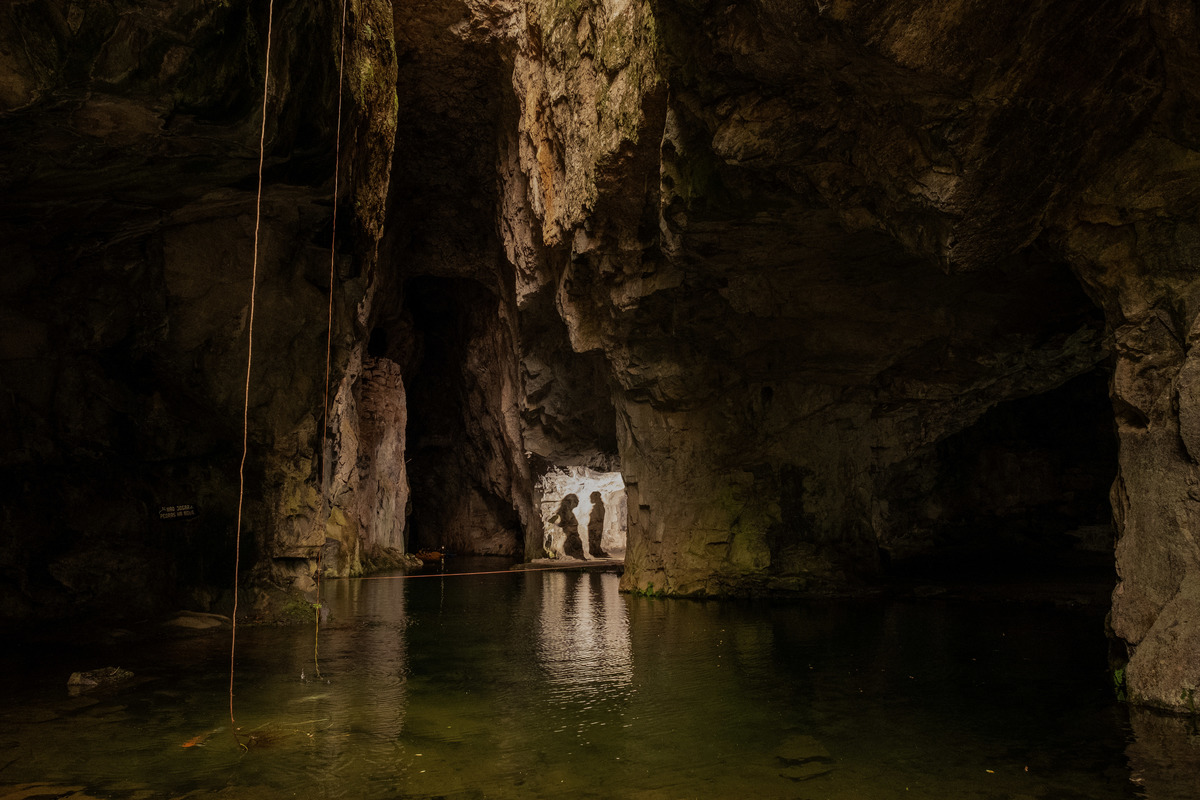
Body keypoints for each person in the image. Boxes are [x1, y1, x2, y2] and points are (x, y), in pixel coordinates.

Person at [550, 494, 585, 559]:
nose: (577, 503)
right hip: (569, 538)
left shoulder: (566, 512)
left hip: (572, 537)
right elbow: (552, 522)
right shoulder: (565, 513)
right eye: (576, 502)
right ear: (570, 502)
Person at [587, 491, 609, 558]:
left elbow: (599, 517)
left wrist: (593, 521)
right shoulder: (598, 505)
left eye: (592, 497)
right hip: (594, 525)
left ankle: (596, 552)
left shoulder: (599, 506)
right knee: (594, 539)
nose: (591, 499)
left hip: (596, 526)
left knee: (595, 539)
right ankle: (595, 551)